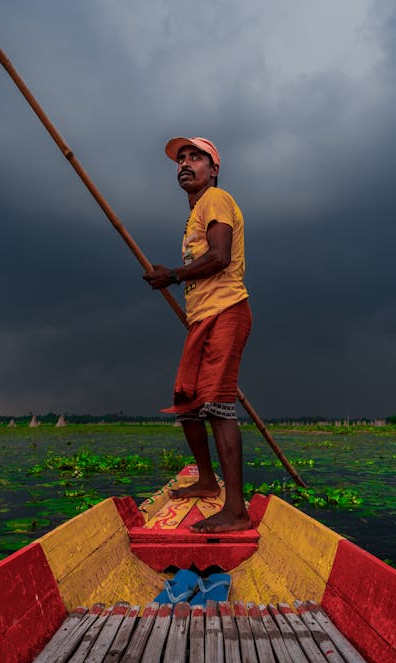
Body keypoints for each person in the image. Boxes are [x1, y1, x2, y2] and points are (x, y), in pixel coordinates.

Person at [143, 137, 252, 532]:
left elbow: (220, 256)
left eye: (196, 157)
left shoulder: (216, 200)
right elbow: (202, 260)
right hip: (202, 319)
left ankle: (236, 510)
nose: (185, 164)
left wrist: (171, 275)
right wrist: (172, 277)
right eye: (181, 159)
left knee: (218, 404)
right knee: (187, 400)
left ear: (214, 169)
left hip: (226, 311)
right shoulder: (193, 215)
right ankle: (207, 481)